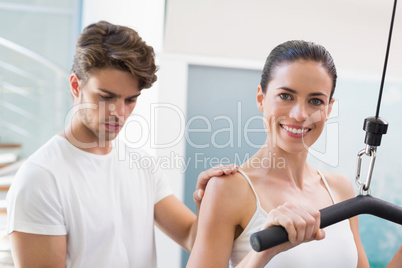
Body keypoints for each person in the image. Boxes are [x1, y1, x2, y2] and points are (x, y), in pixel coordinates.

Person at [6, 20, 237, 268]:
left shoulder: (142, 164)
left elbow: (193, 238)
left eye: (130, 100)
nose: (119, 112)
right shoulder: (41, 177)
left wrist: (209, 203)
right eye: (106, 97)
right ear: (76, 86)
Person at [187, 40, 402, 267]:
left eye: (315, 101)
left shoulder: (341, 189)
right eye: (286, 96)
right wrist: (262, 254)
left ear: (328, 109)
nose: (300, 114)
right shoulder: (227, 189)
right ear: (261, 98)